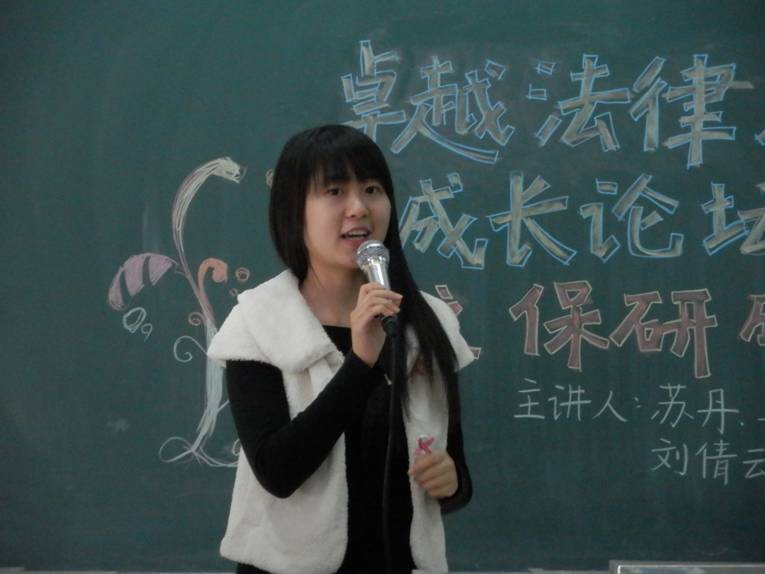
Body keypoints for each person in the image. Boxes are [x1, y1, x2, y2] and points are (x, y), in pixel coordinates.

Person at [207, 125, 475, 574]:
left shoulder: (427, 323)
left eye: (372, 190)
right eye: (334, 191)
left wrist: (453, 482)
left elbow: (453, 470)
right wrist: (361, 361)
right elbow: (278, 472)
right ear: (294, 211)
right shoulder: (259, 321)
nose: (359, 208)